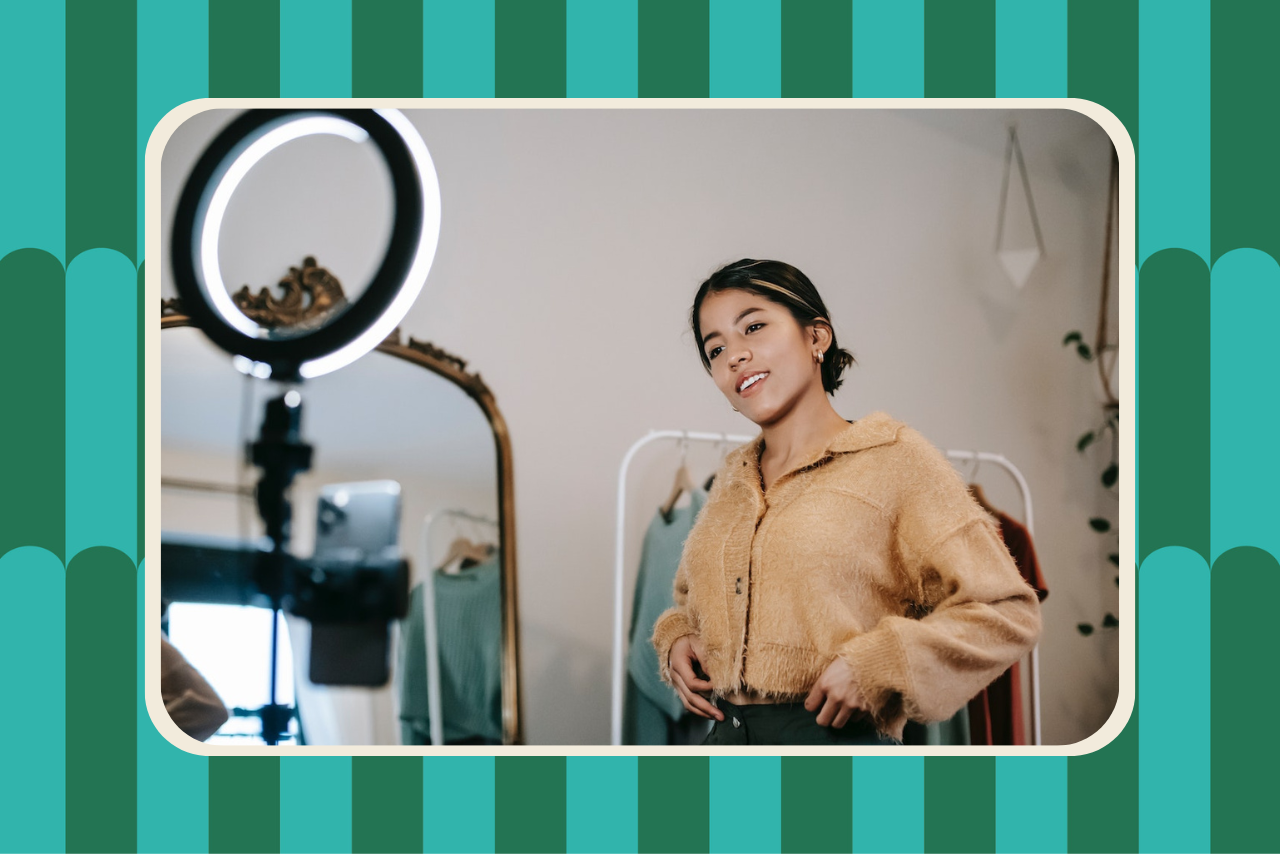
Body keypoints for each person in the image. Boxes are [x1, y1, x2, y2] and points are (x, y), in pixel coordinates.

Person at [651, 259, 1043, 746]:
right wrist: (677, 639)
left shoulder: (895, 460)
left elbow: (1007, 609)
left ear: (817, 337)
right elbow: (691, 602)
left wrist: (879, 665)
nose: (735, 355)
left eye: (753, 326)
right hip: (723, 744)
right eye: (716, 349)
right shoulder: (731, 481)